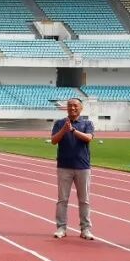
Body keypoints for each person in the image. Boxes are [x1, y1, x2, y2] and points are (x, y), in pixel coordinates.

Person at [50, 98, 95, 240]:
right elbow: (53, 140)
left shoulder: (87, 123)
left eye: (75, 105)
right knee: (62, 199)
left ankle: (85, 229)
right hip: (64, 166)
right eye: (69, 106)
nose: (72, 108)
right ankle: (61, 227)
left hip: (83, 167)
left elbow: (88, 138)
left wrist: (73, 131)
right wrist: (64, 130)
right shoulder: (59, 123)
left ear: (81, 108)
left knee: (84, 200)